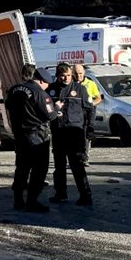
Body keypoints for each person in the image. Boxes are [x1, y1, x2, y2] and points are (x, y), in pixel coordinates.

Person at [5, 63, 59, 212]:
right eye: (47, 84)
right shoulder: (40, 93)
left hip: (19, 135)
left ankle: (18, 200)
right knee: (39, 169)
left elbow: (8, 106)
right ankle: (32, 201)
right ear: (41, 81)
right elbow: (50, 115)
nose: (47, 87)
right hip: (37, 137)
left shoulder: (15, 89)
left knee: (22, 168)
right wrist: (58, 107)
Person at [46, 62, 95, 206]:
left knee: (77, 166)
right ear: (57, 76)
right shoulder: (51, 90)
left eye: (68, 75)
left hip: (75, 133)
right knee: (59, 166)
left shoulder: (79, 89)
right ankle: (60, 193)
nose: (66, 78)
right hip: (59, 133)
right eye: (63, 76)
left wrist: (90, 128)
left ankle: (85, 196)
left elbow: (90, 108)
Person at [73, 63, 102, 165]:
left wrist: (91, 104)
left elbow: (98, 98)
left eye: (80, 73)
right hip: (74, 113)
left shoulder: (90, 83)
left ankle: (85, 157)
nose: (78, 76)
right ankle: (76, 156)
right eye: (76, 74)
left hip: (87, 112)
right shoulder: (71, 84)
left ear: (84, 72)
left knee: (86, 135)